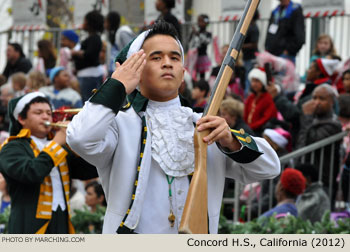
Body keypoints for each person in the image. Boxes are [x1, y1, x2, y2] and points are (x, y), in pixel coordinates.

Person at [66, 21, 280, 234]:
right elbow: (80, 138)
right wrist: (116, 85)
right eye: (156, 57)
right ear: (136, 68)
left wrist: (231, 141)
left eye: (174, 57)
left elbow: (270, 168)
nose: (167, 63)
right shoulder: (119, 124)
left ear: (183, 69)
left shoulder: (206, 126)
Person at [0, 92, 97, 234]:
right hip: (28, 224)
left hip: (61, 221)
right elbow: (31, 173)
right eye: (38, 113)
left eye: (48, 113)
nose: (46, 117)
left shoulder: (58, 144)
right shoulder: (12, 147)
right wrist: (57, 142)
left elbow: (88, 171)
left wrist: (78, 143)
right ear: (21, 118)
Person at [298, 84, 342, 205]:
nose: (316, 102)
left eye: (321, 99)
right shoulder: (313, 118)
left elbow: (312, 141)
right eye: (314, 98)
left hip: (323, 181)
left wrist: (306, 117)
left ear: (332, 102)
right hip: (307, 178)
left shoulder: (333, 124)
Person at [72, 10, 104, 102]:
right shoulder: (91, 38)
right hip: (86, 76)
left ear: (90, 23)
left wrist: (75, 53)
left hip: (90, 77)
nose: (83, 24)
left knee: (89, 102)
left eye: (85, 21)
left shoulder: (95, 38)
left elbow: (89, 54)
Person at [265, 0, 305, 64]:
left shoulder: (295, 10)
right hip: (272, 54)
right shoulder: (275, 11)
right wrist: (267, 48)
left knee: (283, 74)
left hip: (286, 55)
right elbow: (270, 32)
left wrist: (288, 51)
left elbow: (299, 36)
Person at [244, 68, 277, 136]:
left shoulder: (268, 98)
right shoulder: (251, 97)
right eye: (252, 81)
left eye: (257, 81)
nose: (253, 84)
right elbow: (245, 114)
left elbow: (266, 118)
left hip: (259, 132)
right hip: (249, 130)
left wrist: (250, 127)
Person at [105, 11, 135, 76]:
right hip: (113, 70)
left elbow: (131, 50)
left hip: (122, 71)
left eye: (106, 22)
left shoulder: (122, 33)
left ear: (111, 22)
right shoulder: (113, 34)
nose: (104, 24)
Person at [188, 14, 212, 80]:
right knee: (193, 72)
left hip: (202, 56)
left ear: (206, 23)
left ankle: (201, 85)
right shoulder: (195, 32)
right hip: (194, 56)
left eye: (201, 21)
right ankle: (194, 85)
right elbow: (190, 42)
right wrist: (191, 34)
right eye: (198, 21)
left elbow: (207, 41)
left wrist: (198, 34)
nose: (199, 23)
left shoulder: (208, 34)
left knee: (202, 74)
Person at [242, 10, 259, 97]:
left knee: (249, 79)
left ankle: (247, 96)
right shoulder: (249, 27)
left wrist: (241, 45)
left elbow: (254, 44)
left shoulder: (254, 28)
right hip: (246, 57)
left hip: (250, 57)